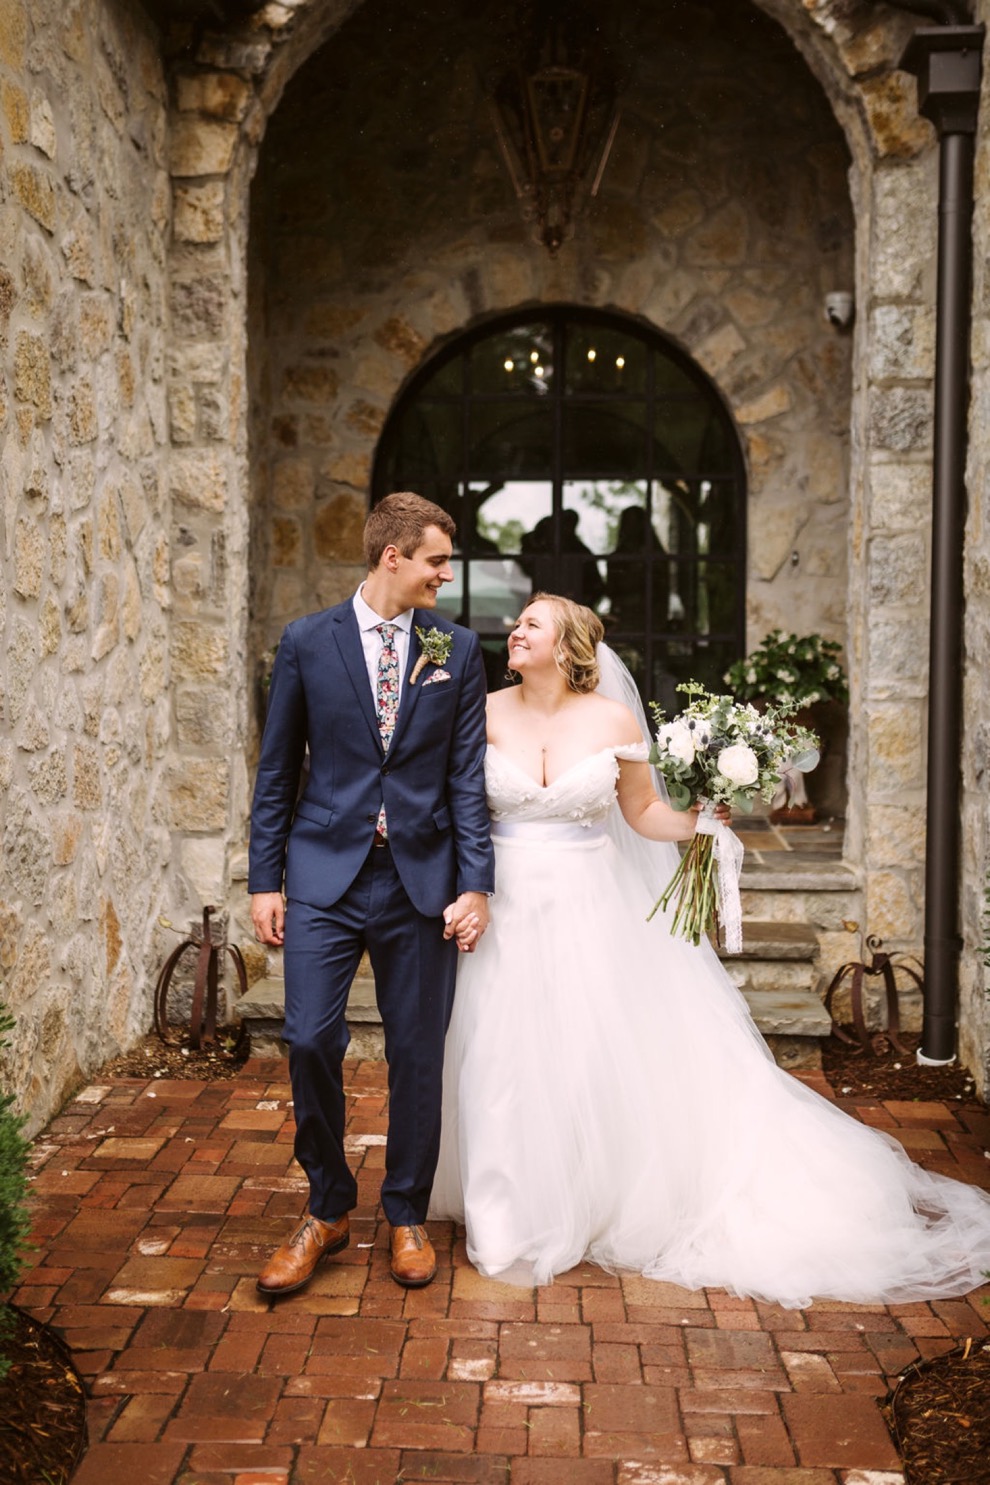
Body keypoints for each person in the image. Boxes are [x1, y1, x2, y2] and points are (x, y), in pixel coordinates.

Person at [429, 594, 990, 1305]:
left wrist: (697, 821)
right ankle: (508, 1213)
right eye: (517, 624)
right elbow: (458, 804)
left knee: (588, 1051)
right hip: (502, 904)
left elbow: (640, 811)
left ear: (567, 644)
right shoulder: (484, 709)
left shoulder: (612, 719)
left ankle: (588, 1192)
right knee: (501, 1052)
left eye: (530, 623)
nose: (514, 630)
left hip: (589, 906)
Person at [249, 492, 495, 1295]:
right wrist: (265, 880)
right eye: (434, 560)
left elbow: (466, 780)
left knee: (417, 1053)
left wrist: (475, 883)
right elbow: (279, 769)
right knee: (311, 1037)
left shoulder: (455, 649)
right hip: (322, 873)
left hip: (419, 880)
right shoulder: (306, 642)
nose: (444, 576)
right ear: (391, 557)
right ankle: (327, 1205)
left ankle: (406, 1212)